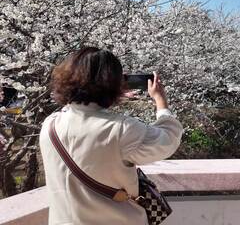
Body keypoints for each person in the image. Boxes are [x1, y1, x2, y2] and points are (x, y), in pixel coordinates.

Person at [39, 47, 183, 225]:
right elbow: (168, 139)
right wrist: (161, 102)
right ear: (114, 85)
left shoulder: (50, 125)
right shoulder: (122, 129)